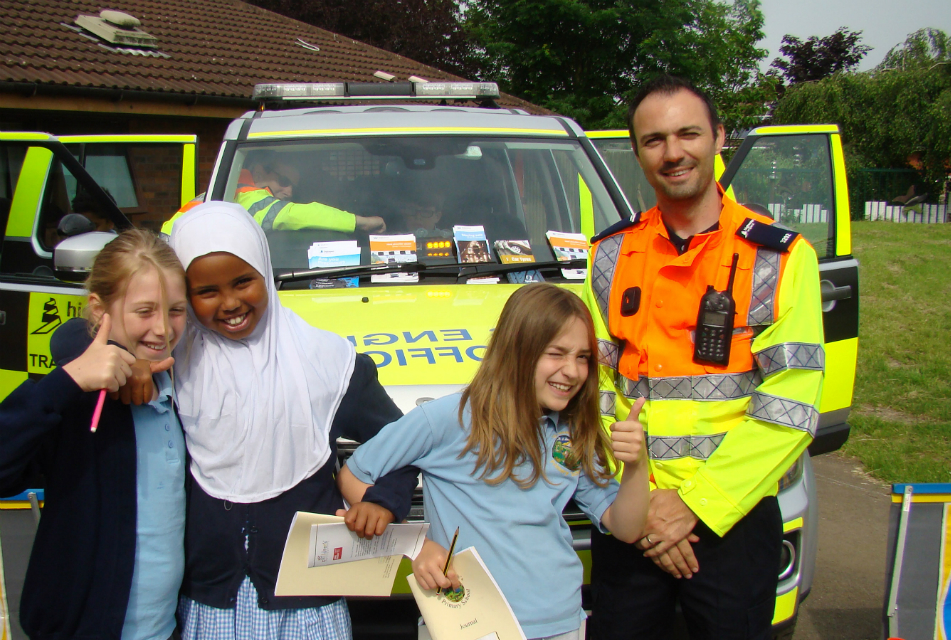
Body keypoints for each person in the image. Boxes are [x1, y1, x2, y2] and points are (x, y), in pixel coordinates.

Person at [582, 75, 825, 640]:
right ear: (637, 151)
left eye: (688, 134)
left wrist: (691, 508)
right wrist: (646, 509)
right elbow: (588, 390)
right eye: (654, 140)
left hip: (732, 516)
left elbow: (790, 405)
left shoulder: (782, 258)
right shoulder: (608, 255)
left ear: (719, 137)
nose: (673, 153)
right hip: (633, 511)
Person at [337, 283, 651, 640]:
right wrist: (418, 546)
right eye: (557, 353)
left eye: (582, 357)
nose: (573, 371)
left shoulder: (574, 428)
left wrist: (637, 465)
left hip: (561, 622)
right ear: (517, 350)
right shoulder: (444, 418)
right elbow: (354, 474)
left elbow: (626, 528)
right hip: (465, 623)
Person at [166, 201, 417, 638]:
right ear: (185, 295)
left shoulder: (327, 361)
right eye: (206, 292)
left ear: (265, 271)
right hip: (211, 599)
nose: (230, 303)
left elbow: (401, 438)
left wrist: (384, 501)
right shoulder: (172, 362)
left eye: (244, 282)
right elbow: (84, 336)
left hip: (308, 603)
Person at [0, 229, 188, 639]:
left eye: (176, 310)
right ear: (99, 310)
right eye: (144, 311)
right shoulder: (75, 399)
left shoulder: (185, 388)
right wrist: (68, 380)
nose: (163, 328)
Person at [159, 151, 385, 236]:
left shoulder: (228, 190)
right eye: (284, 181)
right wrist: (363, 222)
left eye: (293, 187)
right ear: (258, 173)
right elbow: (295, 215)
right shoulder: (245, 195)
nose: (288, 191)